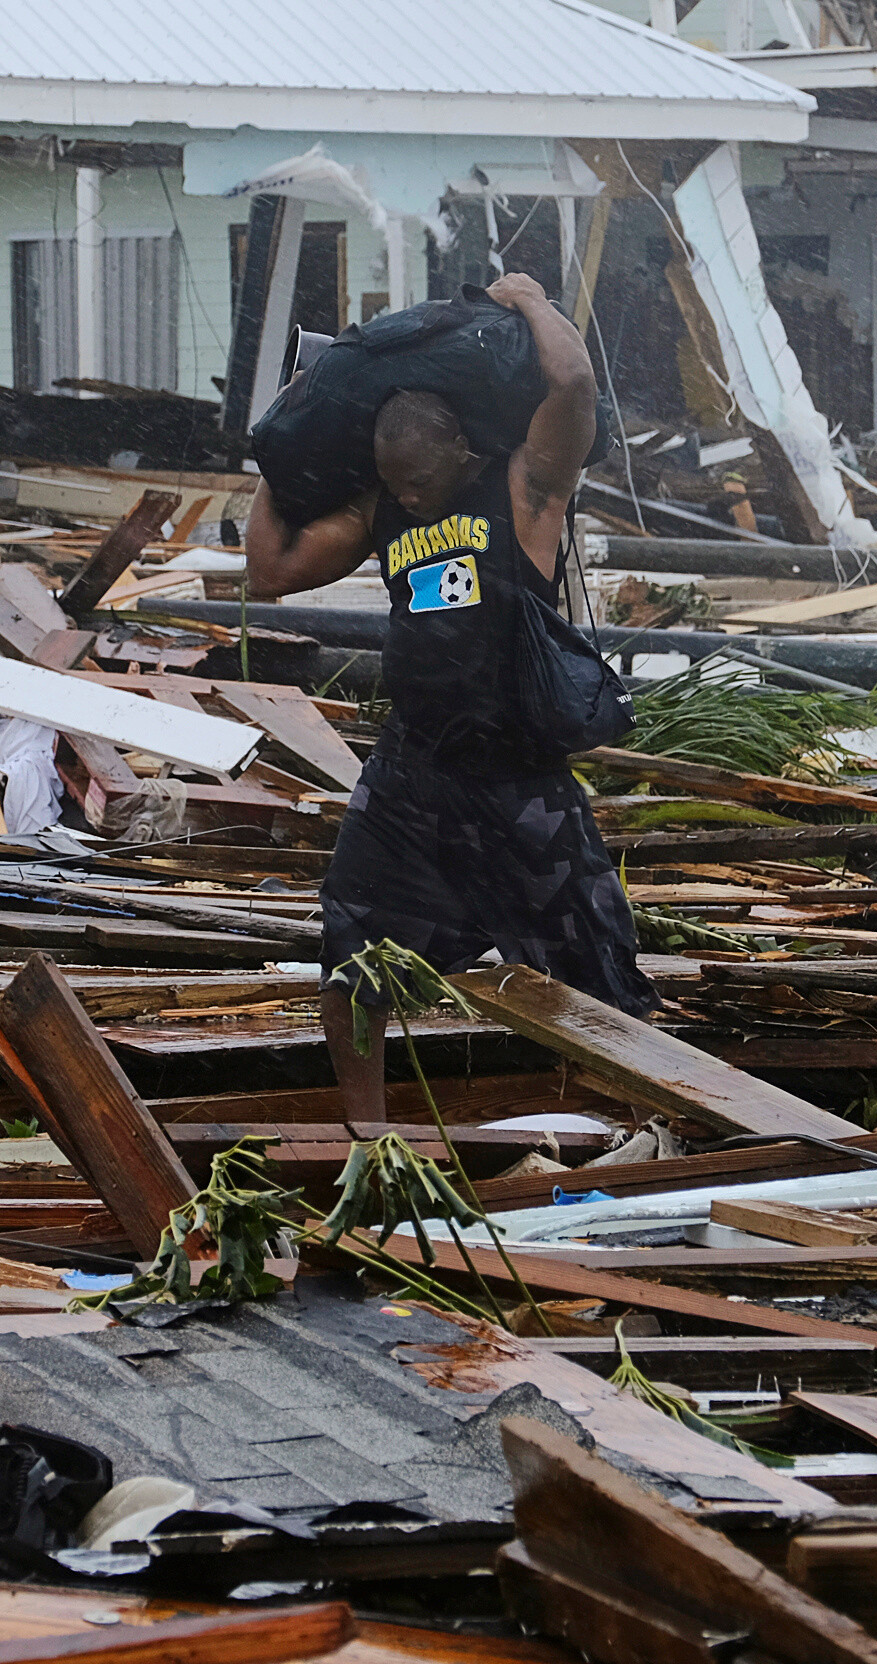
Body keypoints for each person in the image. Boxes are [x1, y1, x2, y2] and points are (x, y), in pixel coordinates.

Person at [243, 272, 650, 1120]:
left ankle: (639, 1122)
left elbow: (572, 385)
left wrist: (533, 304)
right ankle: (371, 1132)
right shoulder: (386, 502)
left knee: (599, 968)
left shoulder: (525, 486)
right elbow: (272, 570)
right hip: (413, 770)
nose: (409, 501)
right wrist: (286, 439)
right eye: (395, 487)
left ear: (459, 451)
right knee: (353, 950)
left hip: (517, 776)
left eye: (419, 483)